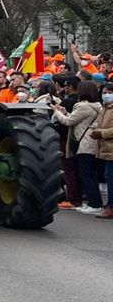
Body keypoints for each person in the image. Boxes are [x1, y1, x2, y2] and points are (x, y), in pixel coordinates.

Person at [52, 80, 103, 214]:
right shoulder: (98, 106)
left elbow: (67, 122)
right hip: (94, 143)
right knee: (91, 175)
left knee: (86, 175)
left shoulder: (83, 106)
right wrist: (66, 112)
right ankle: (93, 202)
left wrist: (57, 112)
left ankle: (95, 204)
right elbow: (77, 120)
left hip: (85, 144)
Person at [89, 82, 113, 219]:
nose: (107, 95)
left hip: (110, 148)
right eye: (104, 92)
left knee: (110, 177)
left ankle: (111, 207)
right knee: (108, 176)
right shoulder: (104, 108)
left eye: (109, 92)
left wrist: (102, 133)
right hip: (105, 148)